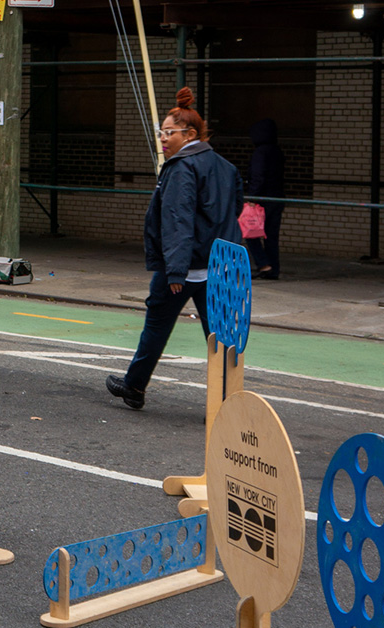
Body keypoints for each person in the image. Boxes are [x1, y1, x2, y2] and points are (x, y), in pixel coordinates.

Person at [106, 88, 243, 410]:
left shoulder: (182, 167)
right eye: (162, 132)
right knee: (222, 338)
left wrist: (176, 270)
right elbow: (233, 211)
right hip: (220, 267)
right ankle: (228, 402)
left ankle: (135, 386)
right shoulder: (226, 167)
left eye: (169, 133)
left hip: (183, 268)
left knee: (156, 326)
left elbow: (177, 221)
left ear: (190, 134)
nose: (163, 139)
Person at [246, 118, 285, 280]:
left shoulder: (260, 152)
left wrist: (251, 198)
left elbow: (258, 176)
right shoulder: (277, 151)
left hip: (261, 200)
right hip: (278, 198)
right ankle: (273, 268)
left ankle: (263, 264)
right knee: (271, 236)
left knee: (250, 233)